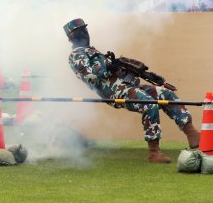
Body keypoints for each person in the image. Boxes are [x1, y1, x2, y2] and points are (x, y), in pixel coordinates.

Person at [64, 18, 200, 163]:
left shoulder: (92, 51)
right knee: (148, 104)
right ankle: (154, 152)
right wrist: (111, 66)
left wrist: (131, 70)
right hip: (114, 91)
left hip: (127, 85)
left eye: (84, 30)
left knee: (166, 94)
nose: (84, 33)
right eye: (79, 32)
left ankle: (191, 133)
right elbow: (89, 75)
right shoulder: (76, 56)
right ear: (71, 38)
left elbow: (114, 71)